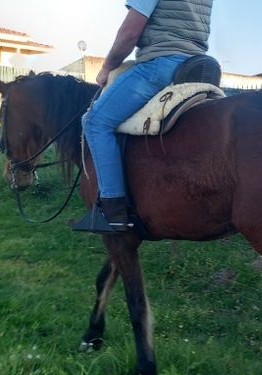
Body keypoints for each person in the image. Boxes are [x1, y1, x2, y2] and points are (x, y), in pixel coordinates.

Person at [75, 0, 213, 233]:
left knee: (95, 121)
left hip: (160, 64)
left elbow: (129, 34)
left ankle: (114, 210)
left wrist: (107, 67)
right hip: (198, 64)